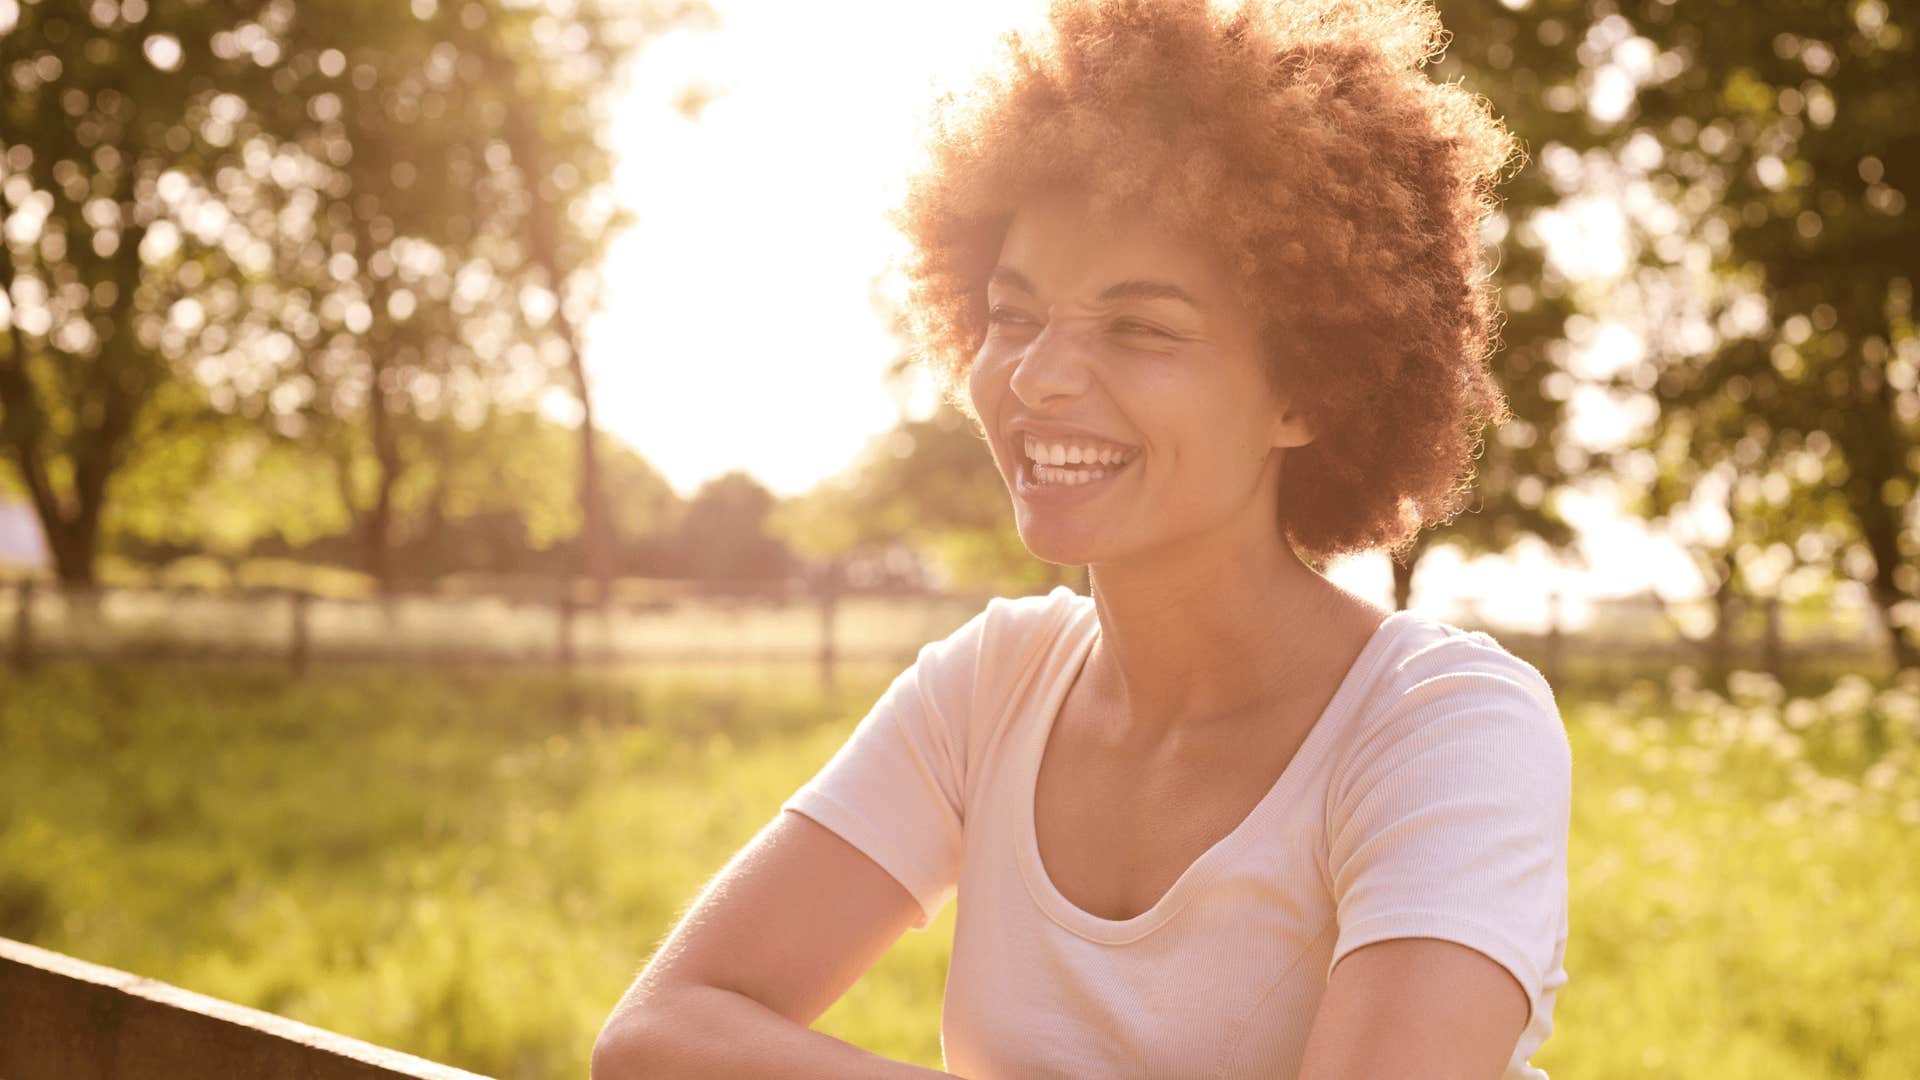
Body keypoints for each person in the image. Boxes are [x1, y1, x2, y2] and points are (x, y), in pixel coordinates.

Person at [592, 0, 1572, 1076]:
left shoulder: (1443, 730)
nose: (1038, 377)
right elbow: (656, 1040)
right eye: (1012, 317)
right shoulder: (990, 687)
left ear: (1307, 393)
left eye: (1140, 328)